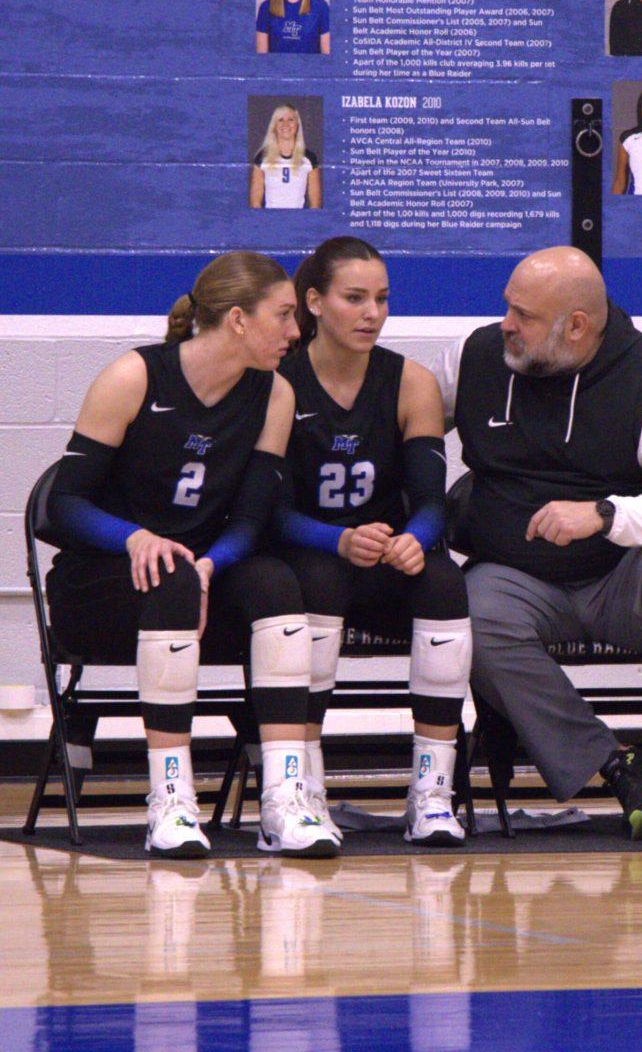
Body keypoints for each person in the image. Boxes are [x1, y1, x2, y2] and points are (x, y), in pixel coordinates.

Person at [435, 246, 642, 851]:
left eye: (523, 315)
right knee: (465, 608)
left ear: (575, 326)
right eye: (506, 307)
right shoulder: (476, 357)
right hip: (518, 581)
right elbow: (404, 426)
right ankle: (619, 768)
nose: (506, 325)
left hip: (622, 580)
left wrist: (605, 515)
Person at [45, 251, 339, 860]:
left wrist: (211, 563)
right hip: (100, 581)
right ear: (237, 319)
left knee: (277, 584)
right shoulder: (135, 376)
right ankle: (172, 802)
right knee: (173, 577)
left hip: (201, 579)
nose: (295, 331)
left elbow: (252, 519)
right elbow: (63, 506)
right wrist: (135, 538)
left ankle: (286, 801)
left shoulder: (274, 395)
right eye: (284, 315)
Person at [273, 235, 472, 848]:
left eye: (382, 299)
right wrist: (334, 540)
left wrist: (415, 538)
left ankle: (430, 793)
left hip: (384, 557)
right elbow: (262, 511)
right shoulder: (279, 382)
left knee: (442, 578)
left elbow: (432, 502)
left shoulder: (409, 381)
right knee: (318, 578)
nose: (372, 313)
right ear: (314, 302)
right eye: (354, 298)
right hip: (310, 554)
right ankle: (304, 791)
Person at [249, 104, 322, 210]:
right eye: (280, 120)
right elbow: (255, 203)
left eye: (291, 120)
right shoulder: (262, 158)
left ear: (297, 125)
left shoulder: (309, 159)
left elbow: (316, 205)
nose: (286, 124)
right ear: (274, 125)